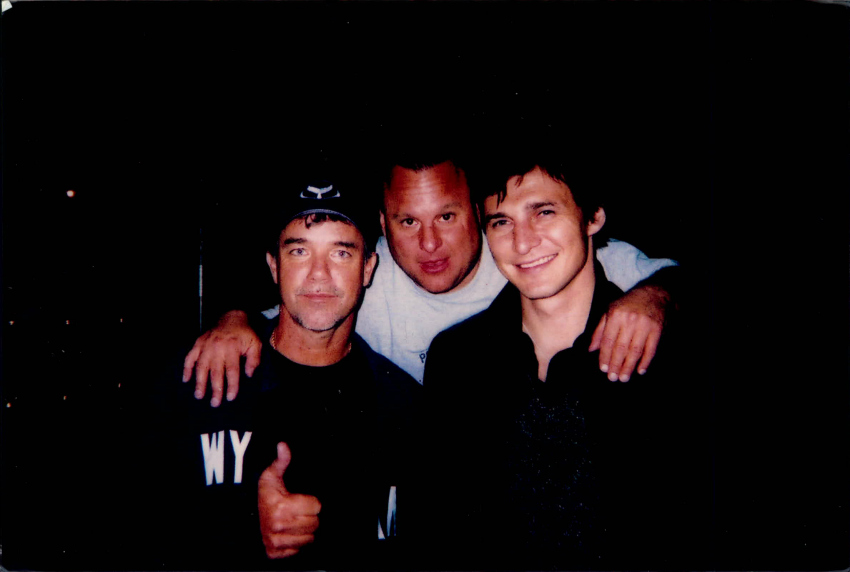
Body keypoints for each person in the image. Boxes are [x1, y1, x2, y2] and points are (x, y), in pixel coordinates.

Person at [183, 141, 679, 405]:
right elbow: (293, 307)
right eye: (407, 222)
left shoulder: (527, 256)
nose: (429, 244)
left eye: (446, 216)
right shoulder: (359, 277)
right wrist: (234, 319)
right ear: (383, 228)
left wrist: (654, 297)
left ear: (476, 213)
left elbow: (678, 276)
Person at [413, 134, 708, 570]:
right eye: (501, 222)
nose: (522, 242)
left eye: (544, 212)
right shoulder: (457, 359)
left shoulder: (661, 353)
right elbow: (435, 531)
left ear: (593, 216)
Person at [158, 174, 422, 570]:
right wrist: (244, 529)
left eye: (341, 253)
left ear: (368, 269)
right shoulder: (200, 379)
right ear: (274, 266)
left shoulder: (404, 408)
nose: (319, 275)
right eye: (299, 251)